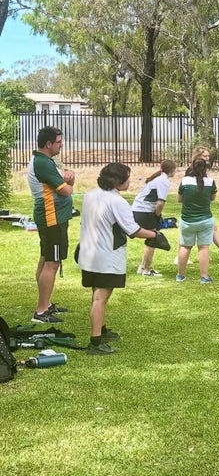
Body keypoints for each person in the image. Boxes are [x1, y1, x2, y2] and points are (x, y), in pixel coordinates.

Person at [78, 163, 162, 355]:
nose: (130, 181)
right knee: (101, 297)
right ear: (118, 181)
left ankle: (103, 329)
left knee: (97, 293)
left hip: (89, 253)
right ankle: (96, 342)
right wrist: (154, 234)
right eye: (127, 178)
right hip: (107, 256)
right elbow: (133, 230)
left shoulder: (89, 195)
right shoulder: (117, 202)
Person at [27, 126, 75, 324]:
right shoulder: (43, 163)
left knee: (47, 258)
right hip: (51, 217)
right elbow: (66, 190)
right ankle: (41, 311)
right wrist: (72, 181)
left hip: (52, 217)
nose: (61, 146)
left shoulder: (44, 160)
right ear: (48, 144)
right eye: (58, 143)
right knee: (52, 262)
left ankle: (44, 304)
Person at [175, 147, 219, 263]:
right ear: (198, 157)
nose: (208, 158)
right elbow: (186, 194)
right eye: (205, 156)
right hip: (195, 212)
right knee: (191, 238)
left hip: (200, 212)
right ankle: (180, 256)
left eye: (208, 156)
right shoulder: (191, 172)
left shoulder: (204, 173)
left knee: (212, 228)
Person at [132, 159, 177, 276]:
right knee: (153, 237)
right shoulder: (163, 181)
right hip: (144, 211)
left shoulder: (158, 179)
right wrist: (157, 215)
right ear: (172, 170)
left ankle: (143, 267)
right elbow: (160, 203)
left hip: (140, 209)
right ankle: (146, 269)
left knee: (152, 237)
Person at [176, 158, 217, 283]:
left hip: (187, 220)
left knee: (185, 246)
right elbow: (213, 197)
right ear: (205, 168)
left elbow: (179, 199)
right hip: (205, 219)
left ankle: (180, 275)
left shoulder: (184, 181)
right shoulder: (210, 182)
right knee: (203, 247)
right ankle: (204, 277)